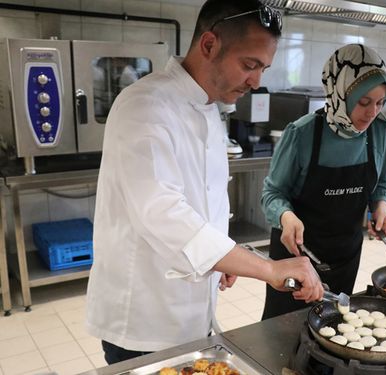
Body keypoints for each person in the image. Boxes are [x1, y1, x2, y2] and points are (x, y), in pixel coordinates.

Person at [85, 0, 324, 365]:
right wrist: (268, 269)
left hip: (195, 311)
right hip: (145, 319)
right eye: (250, 65)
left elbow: (204, 203)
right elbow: (164, 214)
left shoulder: (210, 108)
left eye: (264, 68)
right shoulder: (145, 106)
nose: (257, 82)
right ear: (209, 45)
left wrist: (225, 257)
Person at [261, 44, 386, 319]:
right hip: (296, 257)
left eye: (380, 102)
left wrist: (380, 205)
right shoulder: (303, 134)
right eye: (363, 102)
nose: (372, 112)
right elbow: (272, 194)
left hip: (345, 255)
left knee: (335, 325)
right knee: (284, 332)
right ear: (340, 93)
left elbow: (384, 181)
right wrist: (286, 217)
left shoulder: (381, 133)